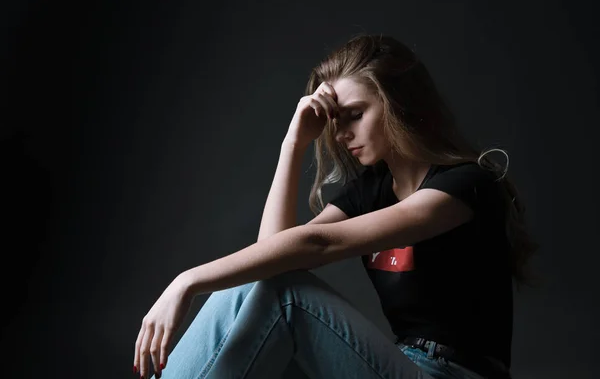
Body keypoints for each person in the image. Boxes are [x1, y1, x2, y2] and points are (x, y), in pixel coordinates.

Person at [132, 33, 538, 379]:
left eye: (355, 115)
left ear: (399, 103)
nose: (342, 134)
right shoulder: (374, 190)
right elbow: (269, 261)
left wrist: (186, 282)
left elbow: (315, 245)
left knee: (288, 297)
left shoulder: (467, 185)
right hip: (401, 363)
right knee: (263, 292)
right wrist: (293, 143)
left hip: (451, 374)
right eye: (335, 122)